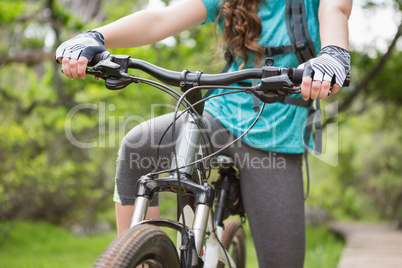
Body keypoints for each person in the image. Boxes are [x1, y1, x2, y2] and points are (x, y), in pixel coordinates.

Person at [56, 0, 352, 267]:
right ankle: (142, 259)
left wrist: (333, 54)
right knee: (138, 146)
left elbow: (335, 9)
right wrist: (96, 35)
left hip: (277, 138)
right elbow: (161, 19)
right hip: (220, 116)